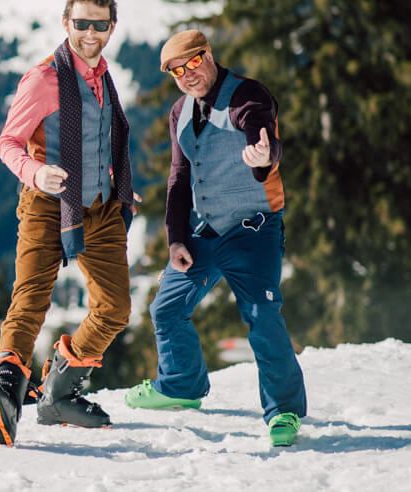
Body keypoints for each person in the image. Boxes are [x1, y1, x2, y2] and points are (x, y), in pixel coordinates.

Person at [123, 29, 307, 447]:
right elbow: (179, 176)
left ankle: (284, 412)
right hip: (205, 231)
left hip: (254, 229)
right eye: (176, 71)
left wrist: (264, 157)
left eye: (192, 63)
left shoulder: (248, 95)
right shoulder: (179, 112)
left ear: (207, 56)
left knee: (262, 317)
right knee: (166, 308)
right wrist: (176, 240)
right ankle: (180, 387)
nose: (187, 75)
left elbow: (260, 135)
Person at [0, 0, 135, 446]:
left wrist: (117, 182)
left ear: (111, 28)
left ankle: (59, 393)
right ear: (66, 24)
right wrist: (35, 171)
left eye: (98, 24)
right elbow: (7, 142)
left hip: (102, 207)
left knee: (115, 308)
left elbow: (100, 137)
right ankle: (4, 390)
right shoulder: (43, 79)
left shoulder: (104, 77)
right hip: (48, 204)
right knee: (30, 300)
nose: (89, 32)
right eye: (80, 23)